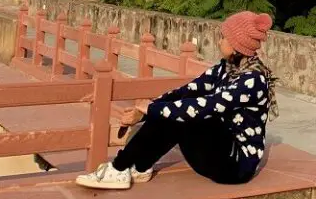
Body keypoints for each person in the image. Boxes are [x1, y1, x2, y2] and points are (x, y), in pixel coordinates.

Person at [76, 11, 277, 190]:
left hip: (235, 165)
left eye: (223, 37)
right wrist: (147, 109)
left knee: (184, 112)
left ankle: (119, 168)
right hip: (215, 154)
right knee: (181, 103)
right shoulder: (225, 68)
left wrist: (152, 110)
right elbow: (187, 90)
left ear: (236, 45)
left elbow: (209, 106)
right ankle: (140, 166)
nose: (219, 41)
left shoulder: (253, 80)